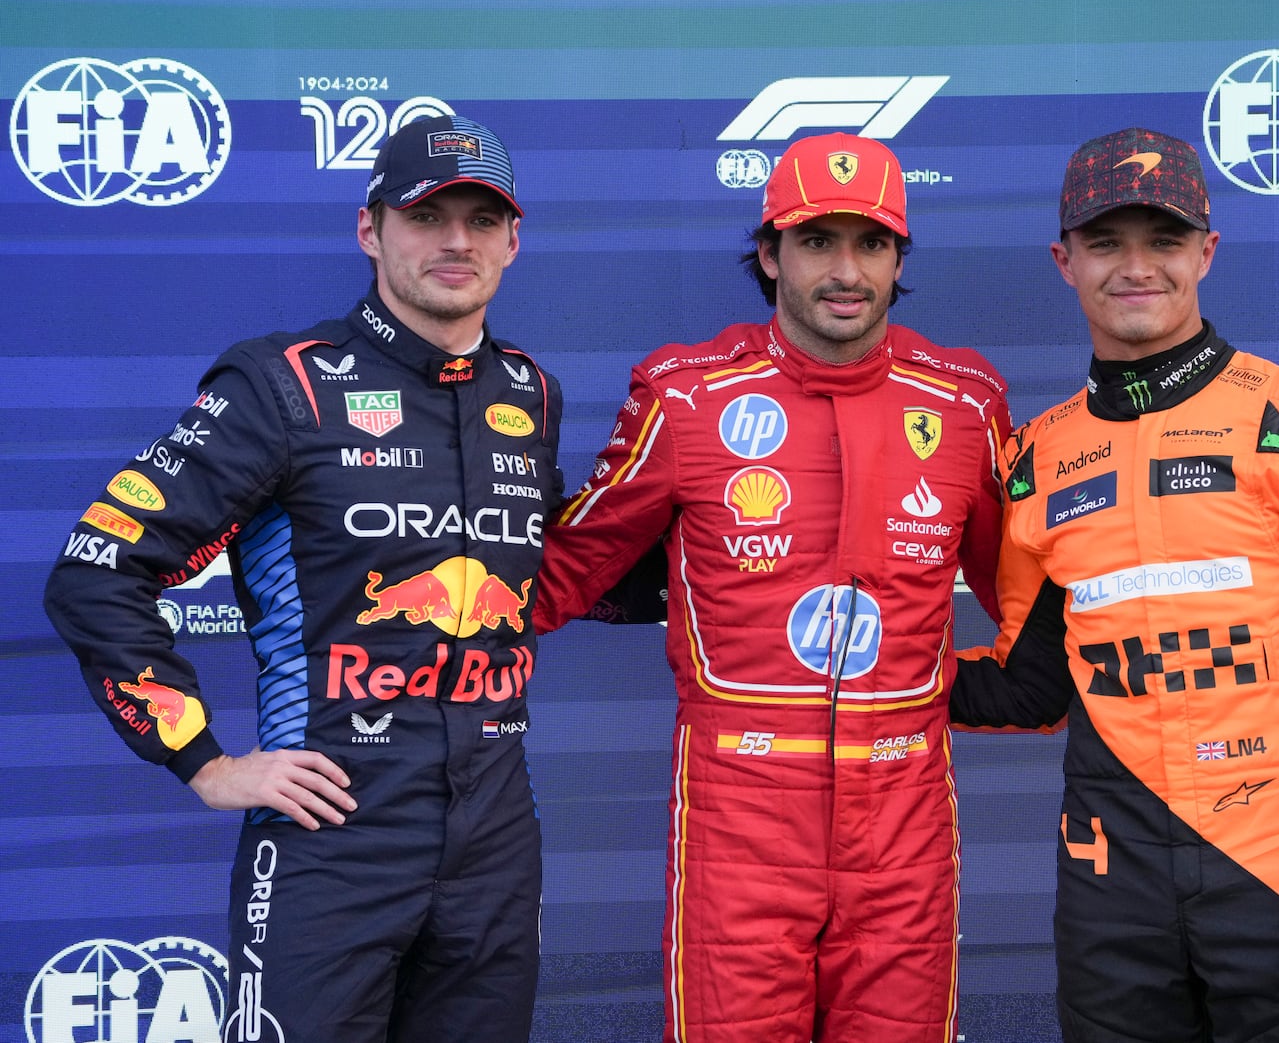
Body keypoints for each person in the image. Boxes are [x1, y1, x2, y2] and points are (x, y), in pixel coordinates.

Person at [43, 115, 559, 1042]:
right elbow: (99, 570)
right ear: (371, 230)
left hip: (495, 843)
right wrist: (204, 762)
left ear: (513, 241)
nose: (456, 241)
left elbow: (556, 573)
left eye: (482, 219)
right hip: (333, 835)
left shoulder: (528, 392)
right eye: (428, 214)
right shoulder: (283, 387)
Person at [531, 132, 1011, 1042]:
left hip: (904, 815)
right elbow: (563, 569)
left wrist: (985, 689)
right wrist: (407, 579)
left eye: (871, 243)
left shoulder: (965, 402)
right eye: (816, 241)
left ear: (900, 257)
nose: (846, 270)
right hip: (738, 813)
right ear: (767, 253)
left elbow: (1025, 597)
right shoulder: (686, 396)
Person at [950, 127, 1279, 1042]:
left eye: (1163, 240)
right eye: (1106, 241)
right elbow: (1035, 682)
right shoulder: (1036, 458)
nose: (1136, 266)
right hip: (1110, 893)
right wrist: (862, 677)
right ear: (1064, 260)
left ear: (1207, 251)